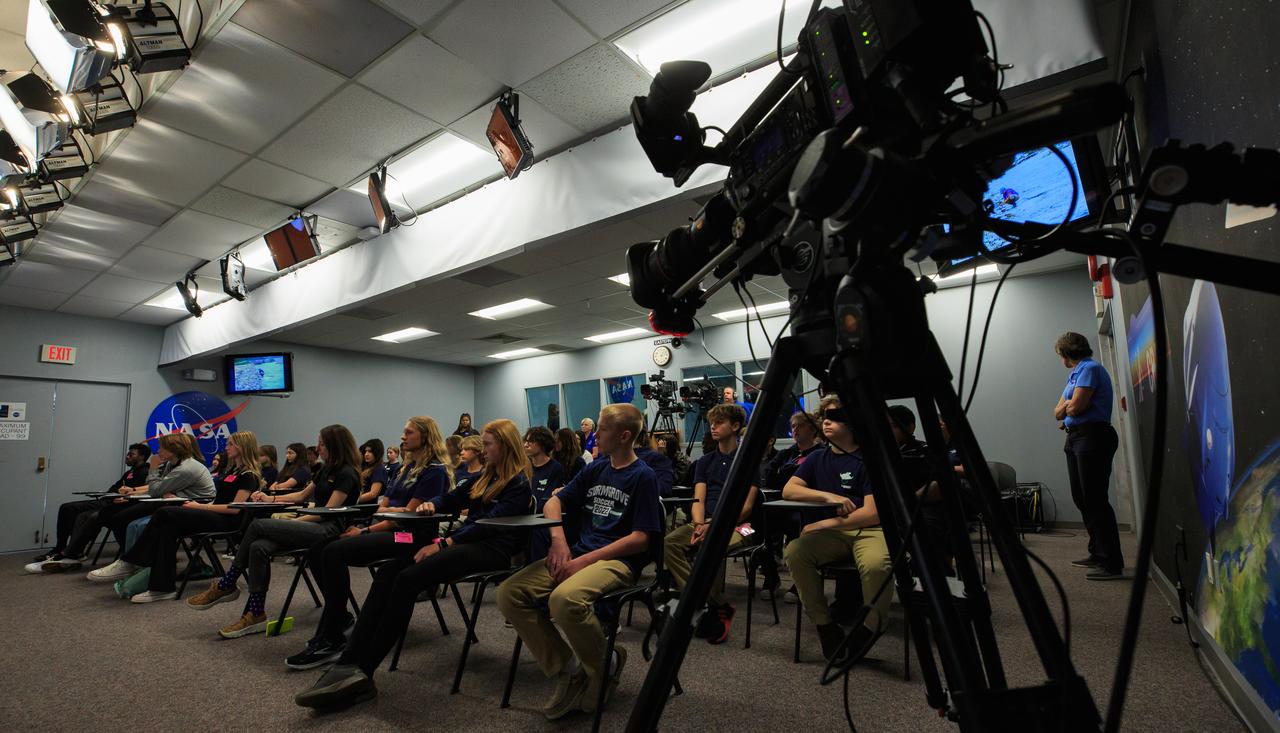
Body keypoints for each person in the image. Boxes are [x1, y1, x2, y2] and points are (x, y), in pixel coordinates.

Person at [293, 419, 532, 710]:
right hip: (466, 542)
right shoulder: (484, 477)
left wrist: (444, 543)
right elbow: (453, 498)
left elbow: (488, 525)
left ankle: (364, 672)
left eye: (489, 443)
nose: (483, 449)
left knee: (407, 579)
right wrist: (434, 504)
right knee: (388, 573)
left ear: (505, 447)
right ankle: (349, 659)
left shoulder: (517, 482)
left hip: (491, 549)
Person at [497, 404, 662, 720]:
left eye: (602, 429)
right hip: (578, 553)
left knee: (564, 600)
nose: (595, 434)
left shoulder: (643, 476)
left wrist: (583, 561)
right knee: (509, 593)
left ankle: (604, 666)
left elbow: (642, 538)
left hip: (616, 561)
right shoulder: (596, 468)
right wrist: (559, 541)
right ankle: (569, 669)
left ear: (625, 435)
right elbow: (554, 501)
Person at [286, 417, 453, 670]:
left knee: (333, 552)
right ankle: (339, 618)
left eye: (409, 432)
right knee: (317, 549)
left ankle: (331, 637)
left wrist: (364, 532)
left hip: (412, 537)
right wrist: (373, 524)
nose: (403, 436)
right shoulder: (406, 468)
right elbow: (385, 506)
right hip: (392, 530)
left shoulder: (434, 471)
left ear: (425, 436)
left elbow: (404, 517)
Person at [187, 424, 361, 638]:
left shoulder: (347, 473)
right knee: (259, 547)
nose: (318, 448)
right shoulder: (325, 469)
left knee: (259, 525)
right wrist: (271, 499)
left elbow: (328, 513)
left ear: (335, 446)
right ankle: (256, 612)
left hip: (330, 530)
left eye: (322, 444)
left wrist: (296, 522)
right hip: (313, 526)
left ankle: (227, 582)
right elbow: (299, 496)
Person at [783, 395, 892, 663]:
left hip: (870, 530)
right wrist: (829, 498)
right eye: (825, 417)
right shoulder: (817, 458)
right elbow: (790, 489)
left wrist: (820, 523)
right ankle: (825, 625)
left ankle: (870, 626)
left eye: (835, 416)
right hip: (835, 534)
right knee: (796, 552)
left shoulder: (870, 458)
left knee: (877, 566)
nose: (827, 421)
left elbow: (871, 513)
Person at [113, 431, 266, 602]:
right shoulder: (234, 471)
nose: (226, 447)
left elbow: (234, 509)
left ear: (242, 447)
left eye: (231, 444)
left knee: (165, 512)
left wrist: (200, 506)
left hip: (227, 521)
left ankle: (132, 560)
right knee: (167, 528)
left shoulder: (249, 476)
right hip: (214, 514)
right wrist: (197, 504)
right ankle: (162, 588)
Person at [664, 404, 756, 645]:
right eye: (712, 423)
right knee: (669, 543)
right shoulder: (704, 462)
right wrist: (698, 523)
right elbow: (699, 500)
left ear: (735, 426)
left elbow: (746, 507)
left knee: (712, 543)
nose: (713, 427)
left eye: (720, 422)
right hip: (705, 522)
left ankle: (701, 603)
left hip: (745, 526)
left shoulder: (747, 460)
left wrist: (713, 525)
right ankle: (712, 605)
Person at [76, 434, 217, 581]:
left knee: (123, 518)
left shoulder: (187, 468)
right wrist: (154, 489)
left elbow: (156, 489)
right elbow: (157, 488)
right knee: (123, 519)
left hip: (191, 509)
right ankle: (130, 561)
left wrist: (154, 468)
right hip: (172, 502)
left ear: (173, 450)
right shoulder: (173, 464)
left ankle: (130, 562)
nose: (158, 451)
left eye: (162, 447)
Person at [1053, 331, 1123, 580]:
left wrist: (1067, 409)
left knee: (1095, 499)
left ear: (1065, 353)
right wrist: (1067, 409)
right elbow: (1058, 412)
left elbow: (1075, 407)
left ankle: (1111, 562)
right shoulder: (1074, 375)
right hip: (1075, 437)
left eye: (1059, 354)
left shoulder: (1090, 369)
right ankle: (1097, 552)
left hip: (1093, 436)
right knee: (1081, 498)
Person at [26, 443, 151, 573]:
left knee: (91, 515)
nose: (127, 456)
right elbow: (113, 488)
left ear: (142, 457)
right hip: (111, 501)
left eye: (131, 454)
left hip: (124, 504)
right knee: (69, 509)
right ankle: (64, 550)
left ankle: (70, 553)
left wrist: (126, 493)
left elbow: (142, 492)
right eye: (127, 453)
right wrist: (117, 493)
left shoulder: (146, 472)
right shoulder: (129, 472)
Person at [759, 409, 825, 598]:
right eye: (793, 426)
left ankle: (802, 583)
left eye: (800, 426)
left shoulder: (820, 453)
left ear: (812, 429)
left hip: (807, 507)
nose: (795, 430)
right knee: (760, 529)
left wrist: (785, 475)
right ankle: (771, 576)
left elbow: (810, 481)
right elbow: (770, 475)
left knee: (797, 530)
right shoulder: (789, 452)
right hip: (784, 503)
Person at [524, 427, 565, 512]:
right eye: (526, 441)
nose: (525, 445)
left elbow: (547, 500)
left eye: (530, 441)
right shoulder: (524, 467)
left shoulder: (555, 468)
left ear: (543, 444)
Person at [634, 429, 675, 497]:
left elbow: (663, 488)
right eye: (658, 443)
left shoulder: (657, 459)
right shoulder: (613, 458)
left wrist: (663, 454)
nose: (658, 446)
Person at [358, 439, 388, 503]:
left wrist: (353, 501)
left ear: (377, 452)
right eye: (365, 451)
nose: (366, 454)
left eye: (370, 451)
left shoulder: (379, 469)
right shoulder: (365, 467)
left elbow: (373, 494)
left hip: (368, 507)